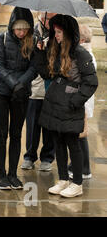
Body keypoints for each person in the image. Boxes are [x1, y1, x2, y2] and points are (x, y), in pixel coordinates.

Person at [34, 15, 98, 198]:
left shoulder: (80, 53)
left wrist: (75, 101)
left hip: (70, 107)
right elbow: (47, 74)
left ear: (68, 33)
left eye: (59, 32)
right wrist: (39, 52)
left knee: (73, 144)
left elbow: (91, 82)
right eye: (55, 32)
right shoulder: (57, 50)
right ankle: (63, 179)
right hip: (55, 104)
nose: (57, 35)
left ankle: (77, 183)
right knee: (58, 143)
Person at [0, 7, 36, 190]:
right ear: (12, 26)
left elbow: (34, 67)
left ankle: (13, 174)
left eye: (25, 29)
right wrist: (13, 84)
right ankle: (1, 175)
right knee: (2, 133)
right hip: (0, 92)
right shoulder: (1, 39)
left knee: (16, 134)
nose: (21, 32)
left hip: (21, 94)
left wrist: (21, 85)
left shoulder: (32, 42)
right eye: (18, 28)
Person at [21, 12, 56, 172]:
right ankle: (29, 156)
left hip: (52, 90)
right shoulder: (32, 35)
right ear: (43, 19)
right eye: (51, 19)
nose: (54, 22)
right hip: (35, 88)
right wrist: (37, 48)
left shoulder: (59, 35)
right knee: (32, 125)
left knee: (49, 127)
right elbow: (25, 58)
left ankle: (47, 158)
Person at [67, 23, 97, 180]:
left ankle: (84, 168)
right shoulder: (85, 53)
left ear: (81, 39)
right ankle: (78, 165)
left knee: (81, 134)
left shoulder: (86, 56)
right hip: (83, 100)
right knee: (79, 133)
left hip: (82, 101)